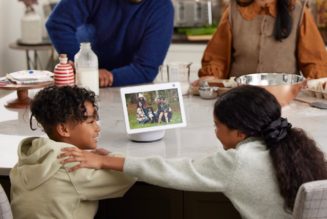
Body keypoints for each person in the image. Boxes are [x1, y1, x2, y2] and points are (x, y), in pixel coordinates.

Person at [60, 85, 327, 219]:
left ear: (240, 133)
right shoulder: (293, 145)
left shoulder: (237, 162)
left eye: (217, 126)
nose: (214, 132)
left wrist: (107, 162)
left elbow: (173, 170)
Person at [9, 86, 135, 219]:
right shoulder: (72, 165)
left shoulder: (23, 163)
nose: (97, 128)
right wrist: (106, 158)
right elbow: (130, 173)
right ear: (63, 129)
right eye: (91, 121)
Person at [46, 0, 174, 87]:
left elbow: (146, 68)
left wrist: (109, 77)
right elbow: (58, 23)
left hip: (128, 84)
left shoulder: (162, 8)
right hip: (83, 82)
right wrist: (85, 67)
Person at [198, 0, 327, 81]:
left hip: (285, 99)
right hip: (239, 99)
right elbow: (217, 58)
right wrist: (211, 77)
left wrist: (319, 82)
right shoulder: (233, 11)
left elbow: (315, 62)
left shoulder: (298, 11)